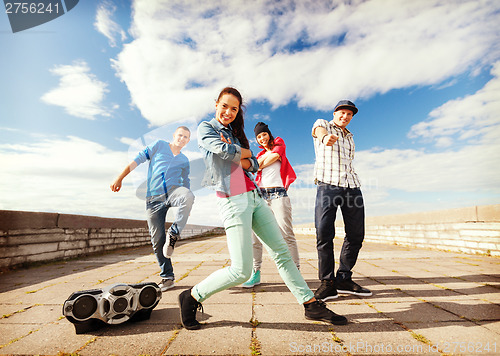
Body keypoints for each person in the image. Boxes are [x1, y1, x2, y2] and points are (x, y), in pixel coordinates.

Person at [178, 87, 347, 330]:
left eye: (234, 109)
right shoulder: (206, 128)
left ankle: (310, 304)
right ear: (216, 104)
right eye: (224, 106)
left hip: (255, 196)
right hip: (232, 197)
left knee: (281, 252)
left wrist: (241, 155)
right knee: (242, 270)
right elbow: (226, 152)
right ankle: (192, 296)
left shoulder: (235, 135)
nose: (228, 112)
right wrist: (243, 154)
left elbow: (253, 164)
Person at [110, 126, 195, 292]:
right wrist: (120, 178)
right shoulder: (159, 145)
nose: (182, 139)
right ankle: (167, 277)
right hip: (153, 199)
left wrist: (187, 203)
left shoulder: (184, 159)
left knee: (188, 195)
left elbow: (186, 182)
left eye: (186, 137)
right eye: (180, 135)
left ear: (188, 141)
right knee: (157, 241)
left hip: (173, 192)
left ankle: (174, 233)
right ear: (174, 135)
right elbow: (138, 159)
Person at [311, 100, 372, 301]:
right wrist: (325, 137)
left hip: (352, 187)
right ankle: (327, 283)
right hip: (328, 185)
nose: (345, 117)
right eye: (342, 113)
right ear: (335, 112)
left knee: (356, 234)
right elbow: (318, 131)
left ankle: (344, 278)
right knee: (324, 233)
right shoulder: (324, 125)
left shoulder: (351, 137)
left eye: (349, 114)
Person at [242, 122, 300, 288]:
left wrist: (259, 162)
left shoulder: (279, 143)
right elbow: (254, 168)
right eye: (259, 137)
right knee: (254, 238)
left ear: (269, 134)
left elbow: (269, 159)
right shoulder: (259, 154)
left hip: (279, 195)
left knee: (286, 234)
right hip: (260, 196)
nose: (262, 138)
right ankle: (255, 273)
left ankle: (295, 272)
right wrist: (259, 162)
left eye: (264, 135)